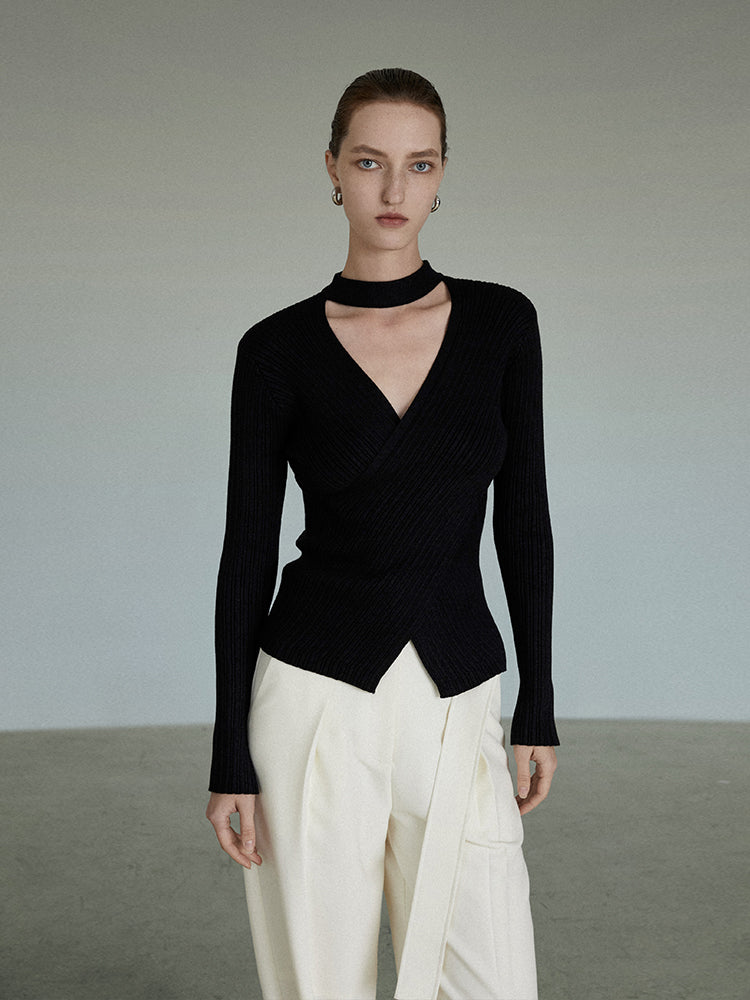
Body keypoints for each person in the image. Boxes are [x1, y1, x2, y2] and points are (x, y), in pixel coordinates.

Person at [205, 67, 559, 1000]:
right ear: (332, 168)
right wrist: (229, 754)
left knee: (492, 978)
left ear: (442, 175)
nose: (395, 189)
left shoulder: (501, 324)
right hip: (313, 698)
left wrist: (538, 700)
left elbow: (525, 520)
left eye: (419, 164)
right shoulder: (276, 350)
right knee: (319, 984)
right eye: (369, 162)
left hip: (458, 689)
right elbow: (245, 555)